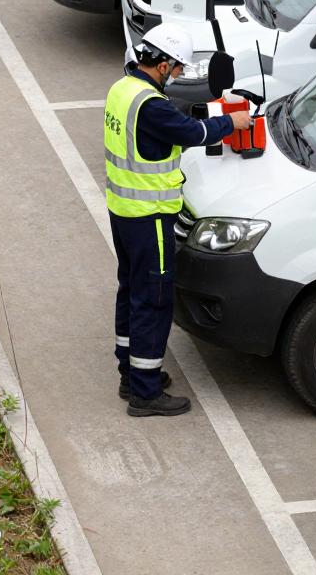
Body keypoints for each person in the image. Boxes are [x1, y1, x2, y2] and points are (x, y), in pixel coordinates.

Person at [104, 22, 251, 417]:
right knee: (154, 300)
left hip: (123, 212)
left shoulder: (122, 89)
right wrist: (231, 123)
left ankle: (131, 374)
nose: (180, 74)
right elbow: (189, 133)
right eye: (179, 67)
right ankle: (145, 393)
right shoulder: (152, 106)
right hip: (150, 215)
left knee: (131, 292)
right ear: (163, 64)